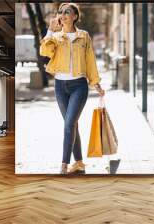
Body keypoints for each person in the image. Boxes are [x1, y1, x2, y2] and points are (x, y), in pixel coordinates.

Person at [40, 3, 105, 174]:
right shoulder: (55, 36)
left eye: (67, 12)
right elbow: (44, 52)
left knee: (69, 125)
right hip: (60, 86)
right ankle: (79, 163)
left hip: (79, 86)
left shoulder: (84, 36)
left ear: (75, 16)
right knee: (72, 125)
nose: (63, 15)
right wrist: (49, 31)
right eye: (61, 12)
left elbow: (90, 60)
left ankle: (63, 165)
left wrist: (95, 82)